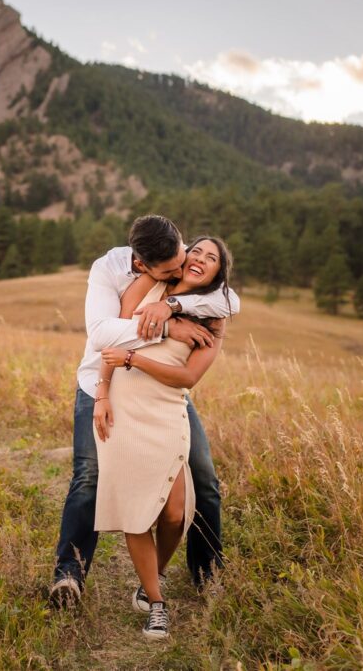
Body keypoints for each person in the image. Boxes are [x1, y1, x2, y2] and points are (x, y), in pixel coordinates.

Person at [50, 215, 239, 609]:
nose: (184, 266)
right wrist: (168, 329)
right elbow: (102, 335)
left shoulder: (178, 258)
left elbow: (229, 299)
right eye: (169, 271)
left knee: (203, 478)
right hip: (102, 384)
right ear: (142, 264)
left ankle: (207, 573)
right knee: (88, 477)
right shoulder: (109, 271)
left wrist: (173, 305)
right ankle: (69, 574)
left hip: (162, 393)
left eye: (185, 256)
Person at [94, 236, 232, 640]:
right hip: (124, 403)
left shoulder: (215, 317)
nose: (201, 260)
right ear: (184, 254)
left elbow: (188, 377)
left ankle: (152, 574)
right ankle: (157, 604)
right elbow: (112, 339)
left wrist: (136, 358)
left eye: (212, 258)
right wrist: (102, 392)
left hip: (167, 408)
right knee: (137, 509)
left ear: (218, 273)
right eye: (198, 251)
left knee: (174, 512)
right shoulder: (148, 286)